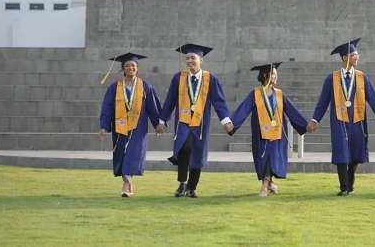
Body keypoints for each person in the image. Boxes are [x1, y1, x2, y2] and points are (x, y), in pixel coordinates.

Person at [307, 38, 375, 196]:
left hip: (357, 121)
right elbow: (323, 102)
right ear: (344, 58)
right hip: (339, 121)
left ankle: (350, 181)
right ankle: (344, 188)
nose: (357, 57)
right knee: (341, 153)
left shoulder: (362, 77)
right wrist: (315, 119)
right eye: (354, 55)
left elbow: (373, 99)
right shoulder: (332, 78)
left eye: (357, 54)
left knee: (356, 153)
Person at [157, 43, 234, 198]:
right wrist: (162, 120)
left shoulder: (210, 79)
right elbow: (170, 100)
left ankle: (192, 187)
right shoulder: (179, 78)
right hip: (183, 122)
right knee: (184, 148)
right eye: (187, 58)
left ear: (201, 60)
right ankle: (182, 183)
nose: (190, 61)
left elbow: (218, 101)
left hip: (200, 123)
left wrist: (225, 119)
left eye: (193, 58)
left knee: (197, 152)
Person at [229, 62, 308, 197]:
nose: (276, 78)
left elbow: (291, 111)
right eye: (274, 75)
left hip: (277, 134)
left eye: (276, 75)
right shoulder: (255, 94)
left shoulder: (279, 94)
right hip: (261, 133)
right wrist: (233, 123)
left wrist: (305, 125)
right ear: (266, 75)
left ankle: (266, 185)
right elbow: (243, 109)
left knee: (271, 158)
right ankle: (269, 184)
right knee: (264, 158)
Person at [99, 52, 162, 197]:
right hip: (119, 126)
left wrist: (158, 124)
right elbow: (107, 107)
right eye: (127, 66)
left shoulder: (145, 86)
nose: (130, 68)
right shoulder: (115, 87)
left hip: (138, 128)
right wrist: (104, 126)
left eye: (133, 65)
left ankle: (126, 184)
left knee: (133, 154)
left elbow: (153, 107)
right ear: (123, 69)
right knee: (121, 153)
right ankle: (128, 181)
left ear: (137, 68)